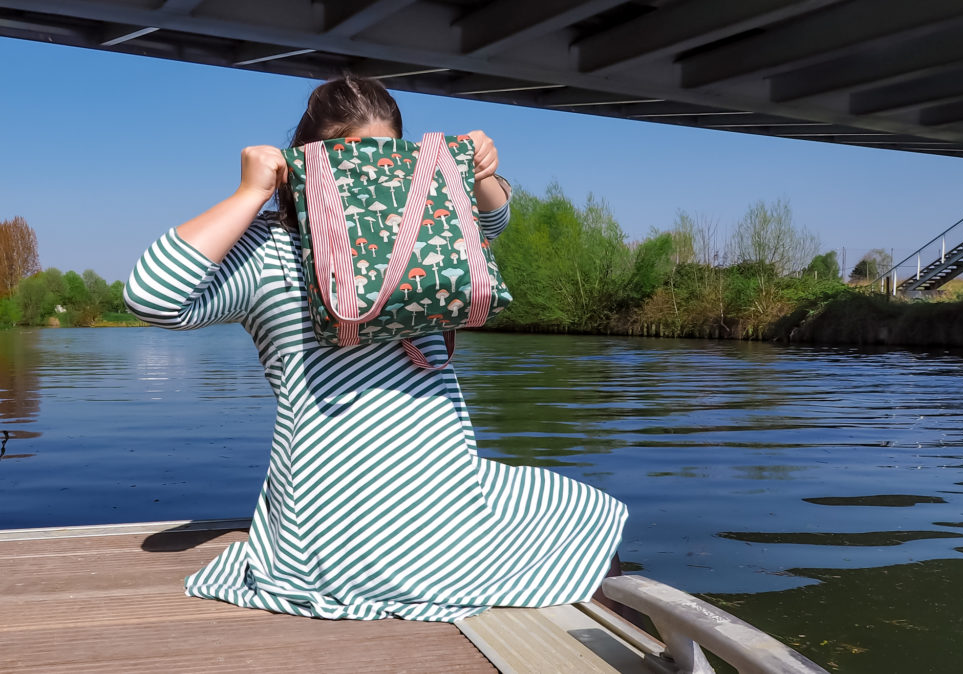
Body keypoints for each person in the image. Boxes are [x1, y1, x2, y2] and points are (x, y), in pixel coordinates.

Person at [124, 74, 628, 622]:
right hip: (352, 517)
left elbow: (493, 219)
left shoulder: (423, 239)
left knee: (591, 516)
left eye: (386, 158)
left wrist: (481, 173)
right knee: (590, 523)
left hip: (434, 489)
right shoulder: (271, 251)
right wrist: (251, 194)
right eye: (349, 157)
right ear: (305, 160)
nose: (369, 175)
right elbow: (151, 297)